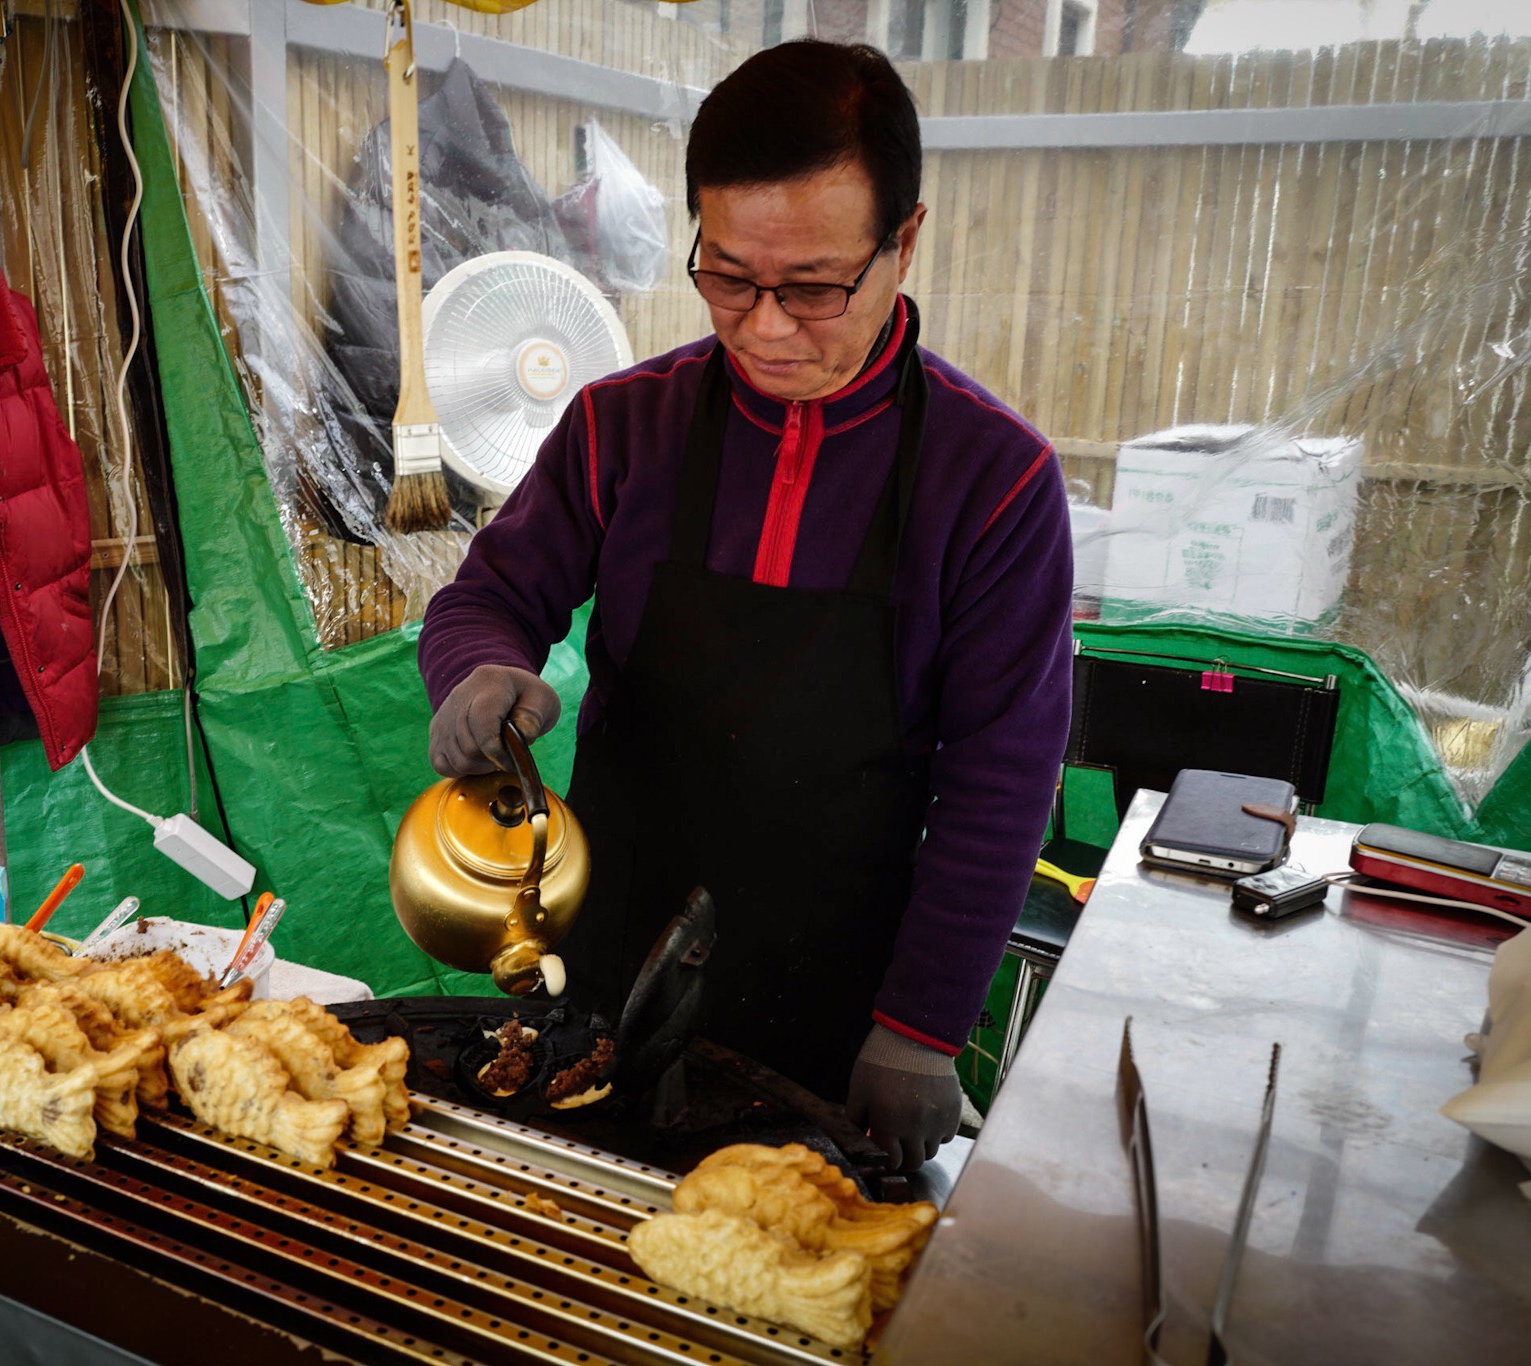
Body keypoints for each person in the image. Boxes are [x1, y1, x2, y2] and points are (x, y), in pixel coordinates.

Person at [417, 40, 1072, 1170]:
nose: (765, 327)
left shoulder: (993, 481)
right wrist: (478, 665)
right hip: (604, 976)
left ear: (904, 240)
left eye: (813, 288)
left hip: (840, 1014)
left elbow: (1000, 778)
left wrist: (921, 1030)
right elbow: (491, 594)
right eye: (727, 277)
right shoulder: (624, 426)